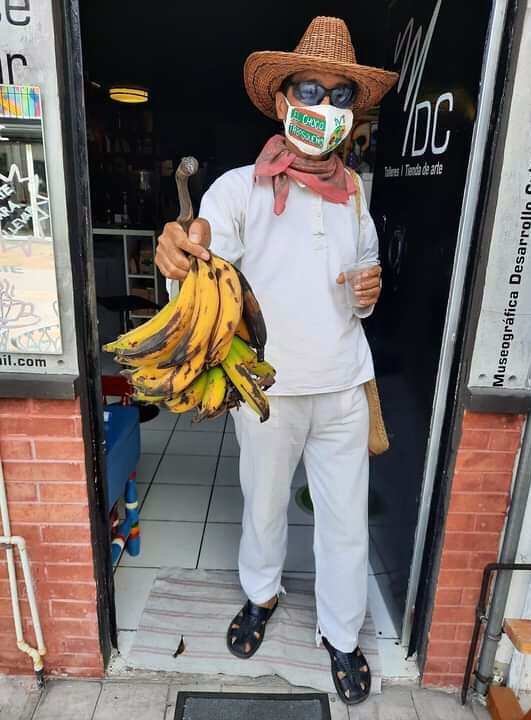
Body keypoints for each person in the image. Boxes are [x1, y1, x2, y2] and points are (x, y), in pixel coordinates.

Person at [155, 16, 398, 705]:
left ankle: (341, 634)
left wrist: (369, 292)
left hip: (344, 387)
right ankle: (260, 595)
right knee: (263, 507)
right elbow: (204, 273)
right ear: (284, 99)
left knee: (345, 521)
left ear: (352, 112)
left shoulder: (356, 195)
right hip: (265, 390)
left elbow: (361, 284)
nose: (324, 106)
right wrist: (177, 259)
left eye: (339, 95)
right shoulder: (237, 190)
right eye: (310, 90)